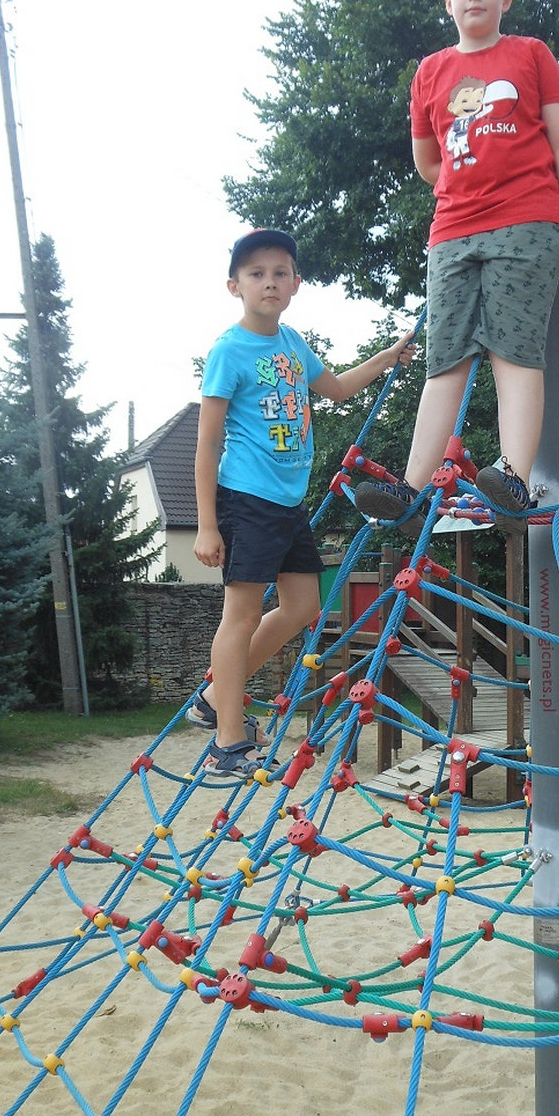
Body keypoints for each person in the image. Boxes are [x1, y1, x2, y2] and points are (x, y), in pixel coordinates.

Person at [354, 0, 559, 529]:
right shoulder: (432, 72)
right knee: (445, 359)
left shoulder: (530, 54)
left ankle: (513, 473)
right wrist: (470, 180)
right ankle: (410, 488)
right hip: (454, 230)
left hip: (526, 220)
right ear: (449, 0)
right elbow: (427, 161)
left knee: (515, 349)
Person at [191, 228, 414, 775]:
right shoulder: (229, 351)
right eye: (256, 274)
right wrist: (205, 524)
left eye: (280, 273)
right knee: (241, 615)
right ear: (235, 286)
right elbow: (208, 442)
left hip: (287, 503)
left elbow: (335, 389)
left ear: (295, 283)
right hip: (246, 498)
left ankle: (214, 698)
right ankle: (227, 741)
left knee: (303, 607)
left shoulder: (291, 342)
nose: (269, 282)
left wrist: (385, 359)